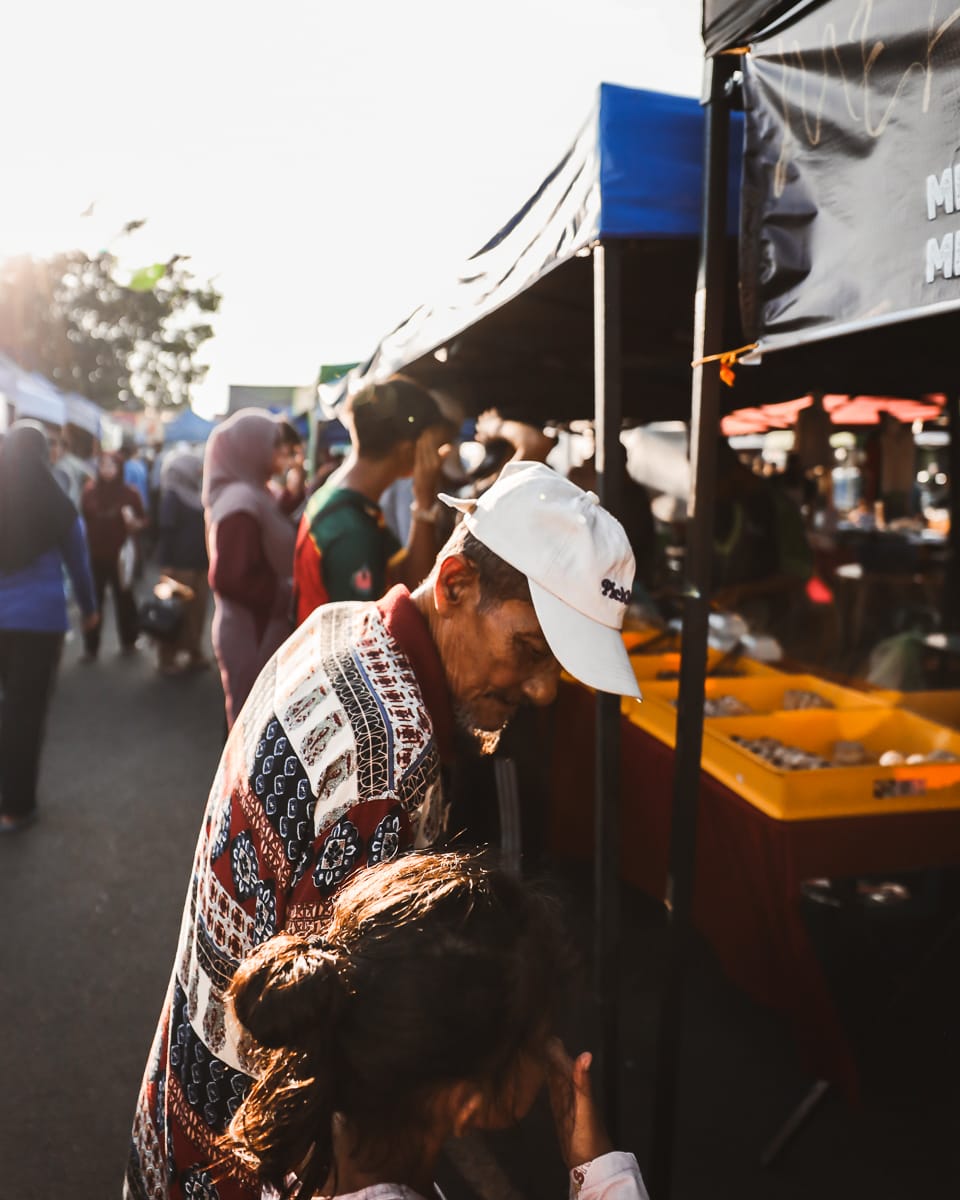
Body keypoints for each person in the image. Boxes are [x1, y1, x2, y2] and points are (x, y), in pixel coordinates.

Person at [124, 460, 641, 1200]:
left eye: (557, 664)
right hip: (243, 1158)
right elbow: (368, 1056)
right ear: (456, 584)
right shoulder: (388, 762)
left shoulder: (341, 625)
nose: (542, 689)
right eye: (530, 650)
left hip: (183, 1108)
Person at [214, 852, 649, 1200]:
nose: (555, 1047)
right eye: (537, 1041)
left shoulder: (314, 1129)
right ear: (465, 1106)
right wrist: (601, 1174)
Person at [0, 423, 99, 833]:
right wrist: (90, 611)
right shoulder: (59, 504)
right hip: (41, 623)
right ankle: (16, 807)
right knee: (26, 714)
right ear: (45, 455)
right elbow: (79, 563)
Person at [293, 376, 452, 625]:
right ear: (408, 450)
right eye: (434, 446)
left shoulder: (349, 501)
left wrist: (423, 503)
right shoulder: (352, 531)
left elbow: (410, 580)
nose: (438, 456)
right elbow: (368, 638)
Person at [204, 410, 299, 729]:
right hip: (251, 630)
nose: (281, 455)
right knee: (251, 727)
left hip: (255, 626)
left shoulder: (255, 491)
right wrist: (286, 594)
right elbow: (229, 577)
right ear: (250, 449)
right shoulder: (240, 499)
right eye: (274, 446)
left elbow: (269, 521)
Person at [81, 450, 147, 660]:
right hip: (95, 555)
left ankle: (129, 641)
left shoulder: (130, 493)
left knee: (125, 599)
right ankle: (91, 647)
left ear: (119, 469)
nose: (107, 470)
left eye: (111, 466)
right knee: (94, 600)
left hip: (120, 557)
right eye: (103, 466)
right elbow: (83, 517)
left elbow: (144, 520)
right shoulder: (90, 491)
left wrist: (133, 523)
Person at [155, 448, 210, 676]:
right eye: (194, 467)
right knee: (175, 612)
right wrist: (166, 564)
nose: (198, 471)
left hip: (200, 562)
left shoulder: (197, 494)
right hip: (178, 565)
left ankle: (194, 652)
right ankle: (167, 658)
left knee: (197, 612)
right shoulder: (172, 496)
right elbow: (166, 531)